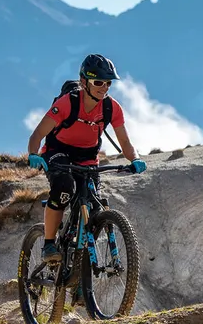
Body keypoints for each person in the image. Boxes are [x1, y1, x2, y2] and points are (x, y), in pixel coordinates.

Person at [26, 53, 147, 262]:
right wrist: (34, 154)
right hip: (58, 151)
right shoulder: (67, 103)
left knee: (93, 203)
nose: (104, 87)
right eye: (98, 82)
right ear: (84, 82)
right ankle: (48, 245)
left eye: (108, 83)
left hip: (88, 157)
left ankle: (79, 260)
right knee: (64, 188)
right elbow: (37, 134)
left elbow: (125, 144)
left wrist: (134, 159)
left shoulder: (112, 108)